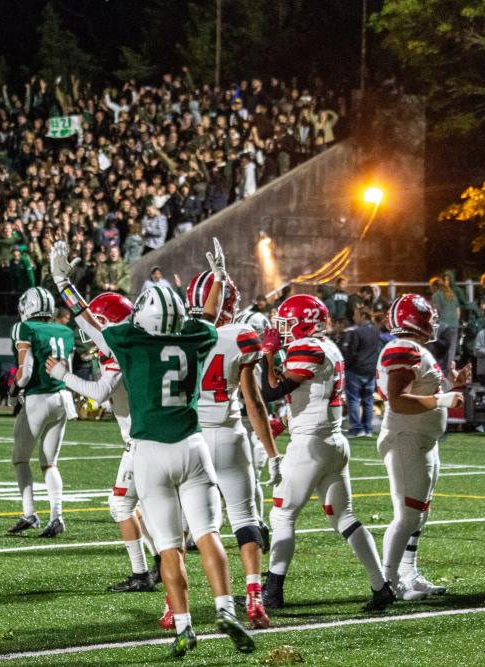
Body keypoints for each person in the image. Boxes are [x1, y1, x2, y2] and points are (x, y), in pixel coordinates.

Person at [52, 241, 255, 658]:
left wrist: (63, 284)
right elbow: (210, 316)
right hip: (192, 447)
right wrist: (219, 278)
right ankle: (225, 609)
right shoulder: (195, 337)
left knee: (168, 547)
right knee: (208, 534)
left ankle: (183, 627)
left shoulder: (128, 340)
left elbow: (88, 319)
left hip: (149, 452)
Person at [259, 294, 393, 612]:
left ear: (304, 322)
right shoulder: (328, 346)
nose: (283, 329)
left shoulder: (307, 348)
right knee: (344, 517)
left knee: (282, 515)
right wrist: (285, 420)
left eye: (288, 323)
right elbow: (310, 395)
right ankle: (381, 586)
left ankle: (272, 592)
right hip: (332, 441)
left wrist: (267, 356)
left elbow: (271, 390)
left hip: (310, 445)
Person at [184, 256, 283, 630]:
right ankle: (255, 598)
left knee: (193, 526)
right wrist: (272, 453)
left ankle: (176, 605)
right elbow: (254, 403)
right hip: (228, 434)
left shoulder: (181, 335)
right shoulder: (240, 335)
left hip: (191, 437)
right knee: (244, 517)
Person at [47, 293, 160, 593]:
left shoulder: (121, 352)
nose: (91, 333)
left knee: (121, 505)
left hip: (142, 440)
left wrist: (64, 376)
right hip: (149, 436)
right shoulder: (138, 346)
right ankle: (160, 559)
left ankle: (142, 573)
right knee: (138, 506)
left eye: (97, 324)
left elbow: (99, 392)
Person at [376, 294, 470, 599]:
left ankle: (409, 574)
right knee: (407, 515)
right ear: (415, 320)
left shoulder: (414, 349)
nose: (434, 323)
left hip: (422, 440)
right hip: (406, 438)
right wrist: (443, 399)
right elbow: (398, 400)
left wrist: (455, 387)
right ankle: (387, 582)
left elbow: (424, 394)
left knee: (419, 514)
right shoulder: (402, 348)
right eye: (430, 317)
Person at [8, 287, 76, 537]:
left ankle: (30, 513)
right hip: (62, 398)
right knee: (49, 463)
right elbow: (69, 369)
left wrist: (13, 390)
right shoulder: (65, 331)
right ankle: (57, 517)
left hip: (38, 398)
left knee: (20, 458)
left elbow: (25, 374)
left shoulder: (26, 328)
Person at [341, 307, 384, 437]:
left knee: (354, 399)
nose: (354, 318)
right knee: (368, 400)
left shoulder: (357, 332)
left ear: (363, 316)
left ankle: (356, 429)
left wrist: (347, 366)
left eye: (356, 315)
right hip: (370, 371)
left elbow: (352, 353)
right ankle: (368, 429)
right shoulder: (376, 332)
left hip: (356, 370)